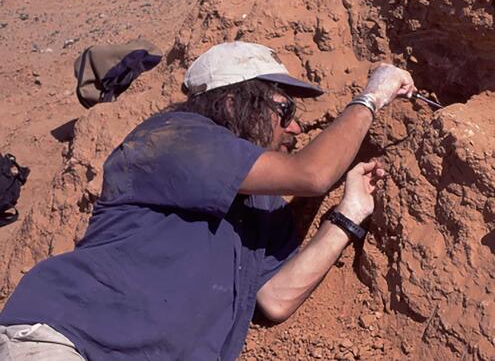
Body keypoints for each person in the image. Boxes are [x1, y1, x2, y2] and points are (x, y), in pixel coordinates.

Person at [0, 41, 415, 361]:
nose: (296, 126)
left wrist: (348, 215)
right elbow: (313, 174)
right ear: (233, 103)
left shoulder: (260, 205)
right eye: (283, 108)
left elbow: (275, 297)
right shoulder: (174, 137)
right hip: (66, 341)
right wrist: (370, 99)